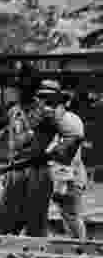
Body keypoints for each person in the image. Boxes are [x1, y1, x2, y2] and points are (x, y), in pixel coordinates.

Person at [0, 79, 84, 238]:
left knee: (69, 217)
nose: (41, 101)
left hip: (66, 177)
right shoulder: (44, 117)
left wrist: (60, 179)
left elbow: (67, 153)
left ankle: (84, 254)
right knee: (31, 215)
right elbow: (28, 148)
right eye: (41, 97)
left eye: (46, 98)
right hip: (49, 174)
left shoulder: (65, 120)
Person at [43, 85, 88, 240]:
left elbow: (69, 157)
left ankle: (82, 252)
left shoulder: (68, 122)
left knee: (71, 215)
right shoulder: (62, 120)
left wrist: (61, 184)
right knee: (68, 215)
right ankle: (78, 250)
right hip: (67, 176)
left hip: (70, 178)